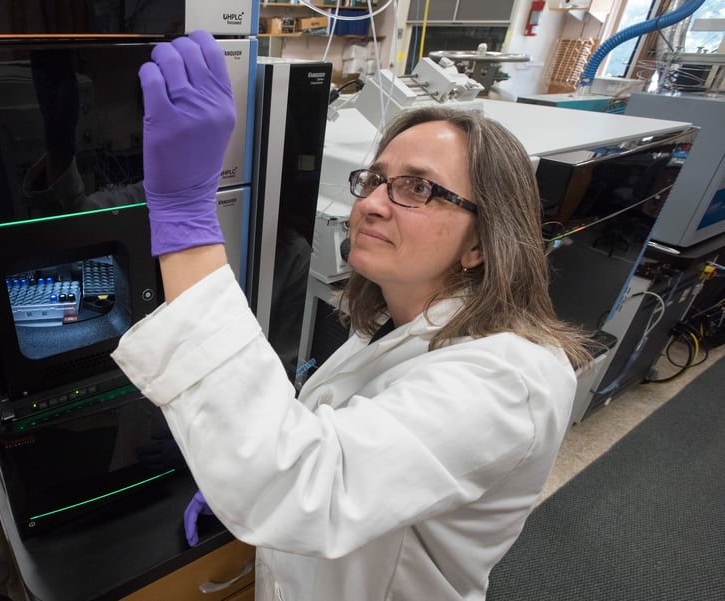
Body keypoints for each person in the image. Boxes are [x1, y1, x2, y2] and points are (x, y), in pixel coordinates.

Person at [110, 30, 593, 601]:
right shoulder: (396, 321)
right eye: (376, 179)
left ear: (482, 244)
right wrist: (229, 465)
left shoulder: (508, 382)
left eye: (418, 188)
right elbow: (327, 444)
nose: (371, 203)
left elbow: (308, 488)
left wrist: (185, 217)